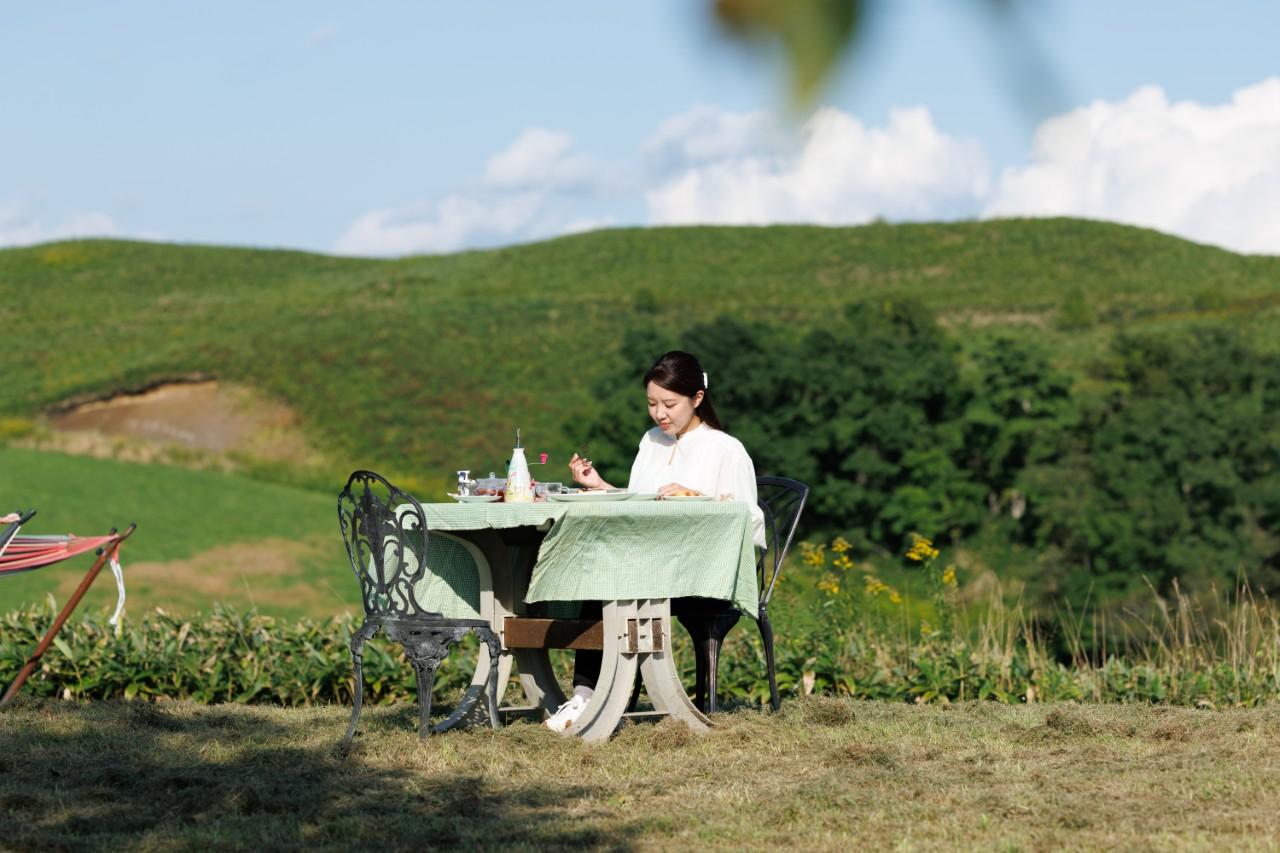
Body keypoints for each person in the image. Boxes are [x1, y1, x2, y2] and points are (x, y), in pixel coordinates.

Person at [544, 350, 766, 732]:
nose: (660, 414)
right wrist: (600, 487)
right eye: (652, 404)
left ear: (697, 398)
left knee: (610, 581)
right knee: (595, 575)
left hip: (702, 575)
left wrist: (696, 496)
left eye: (669, 404)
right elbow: (641, 505)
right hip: (651, 564)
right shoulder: (651, 442)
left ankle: (599, 697)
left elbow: (749, 521)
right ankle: (586, 696)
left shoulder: (725, 449)